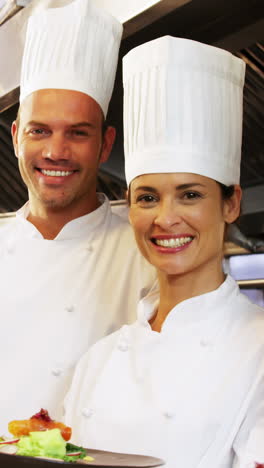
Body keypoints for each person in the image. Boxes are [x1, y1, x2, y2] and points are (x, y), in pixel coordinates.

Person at [64, 37, 264, 468]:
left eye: (189, 195)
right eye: (148, 197)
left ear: (230, 204)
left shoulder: (258, 347)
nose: (165, 218)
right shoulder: (98, 359)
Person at [0, 0, 156, 434]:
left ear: (106, 146)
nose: (55, 152)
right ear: (16, 137)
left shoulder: (148, 258)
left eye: (78, 133)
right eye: (39, 130)